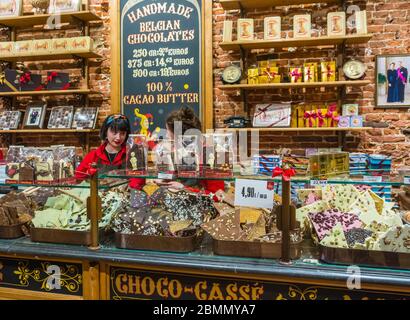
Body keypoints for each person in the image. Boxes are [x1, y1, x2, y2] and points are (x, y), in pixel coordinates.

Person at [156, 106, 225, 194]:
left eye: (168, 130)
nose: (166, 135)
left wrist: (183, 188)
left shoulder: (207, 154)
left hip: (198, 204)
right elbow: (175, 175)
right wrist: (163, 179)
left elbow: (217, 194)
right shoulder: (177, 151)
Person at [75, 114, 144, 189]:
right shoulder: (93, 155)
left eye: (122, 133)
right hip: (99, 198)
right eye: (114, 132)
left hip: (126, 197)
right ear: (105, 132)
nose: (118, 137)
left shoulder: (132, 154)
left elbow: (139, 179)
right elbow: (78, 178)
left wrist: (127, 187)